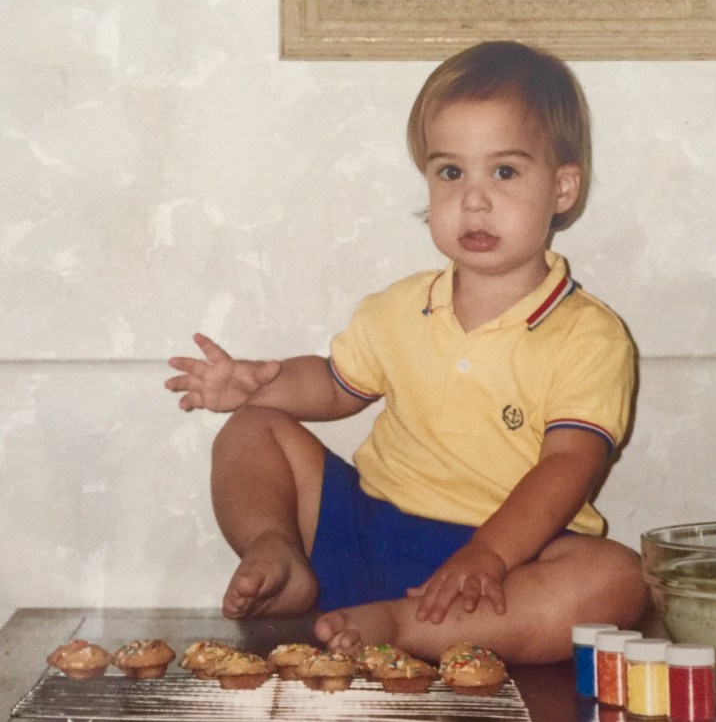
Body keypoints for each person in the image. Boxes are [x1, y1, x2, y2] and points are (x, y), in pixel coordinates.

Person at [165, 41, 647, 664]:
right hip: (368, 529)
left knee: (616, 579)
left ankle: (404, 626)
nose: (473, 199)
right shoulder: (397, 307)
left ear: (562, 188)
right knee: (252, 428)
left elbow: (567, 466)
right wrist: (257, 385)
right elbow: (335, 385)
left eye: (504, 172)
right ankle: (280, 555)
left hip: (502, 568)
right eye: (451, 172)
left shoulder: (590, 336)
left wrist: (489, 553)